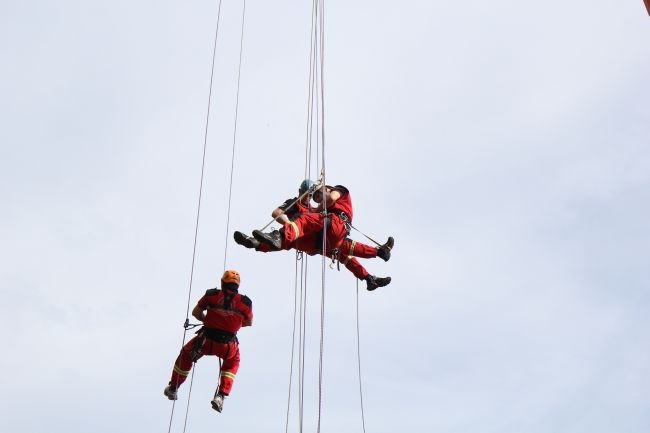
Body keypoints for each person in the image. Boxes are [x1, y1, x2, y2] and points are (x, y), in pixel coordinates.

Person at [249, 183, 394, 291]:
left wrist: (312, 213)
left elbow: (329, 200)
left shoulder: (328, 200)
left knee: (341, 250)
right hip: (322, 239)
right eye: (315, 196)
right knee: (343, 251)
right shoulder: (297, 203)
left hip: (327, 234)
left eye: (316, 195)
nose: (315, 198)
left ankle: (372, 271)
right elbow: (277, 213)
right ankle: (377, 258)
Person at [163, 270, 253, 413]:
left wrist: (208, 320)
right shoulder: (245, 303)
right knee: (233, 363)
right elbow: (248, 323)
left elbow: (196, 312)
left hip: (206, 341)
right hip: (228, 346)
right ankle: (221, 396)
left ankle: (173, 388)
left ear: (222, 283)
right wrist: (231, 326)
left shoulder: (211, 295)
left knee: (186, 355)